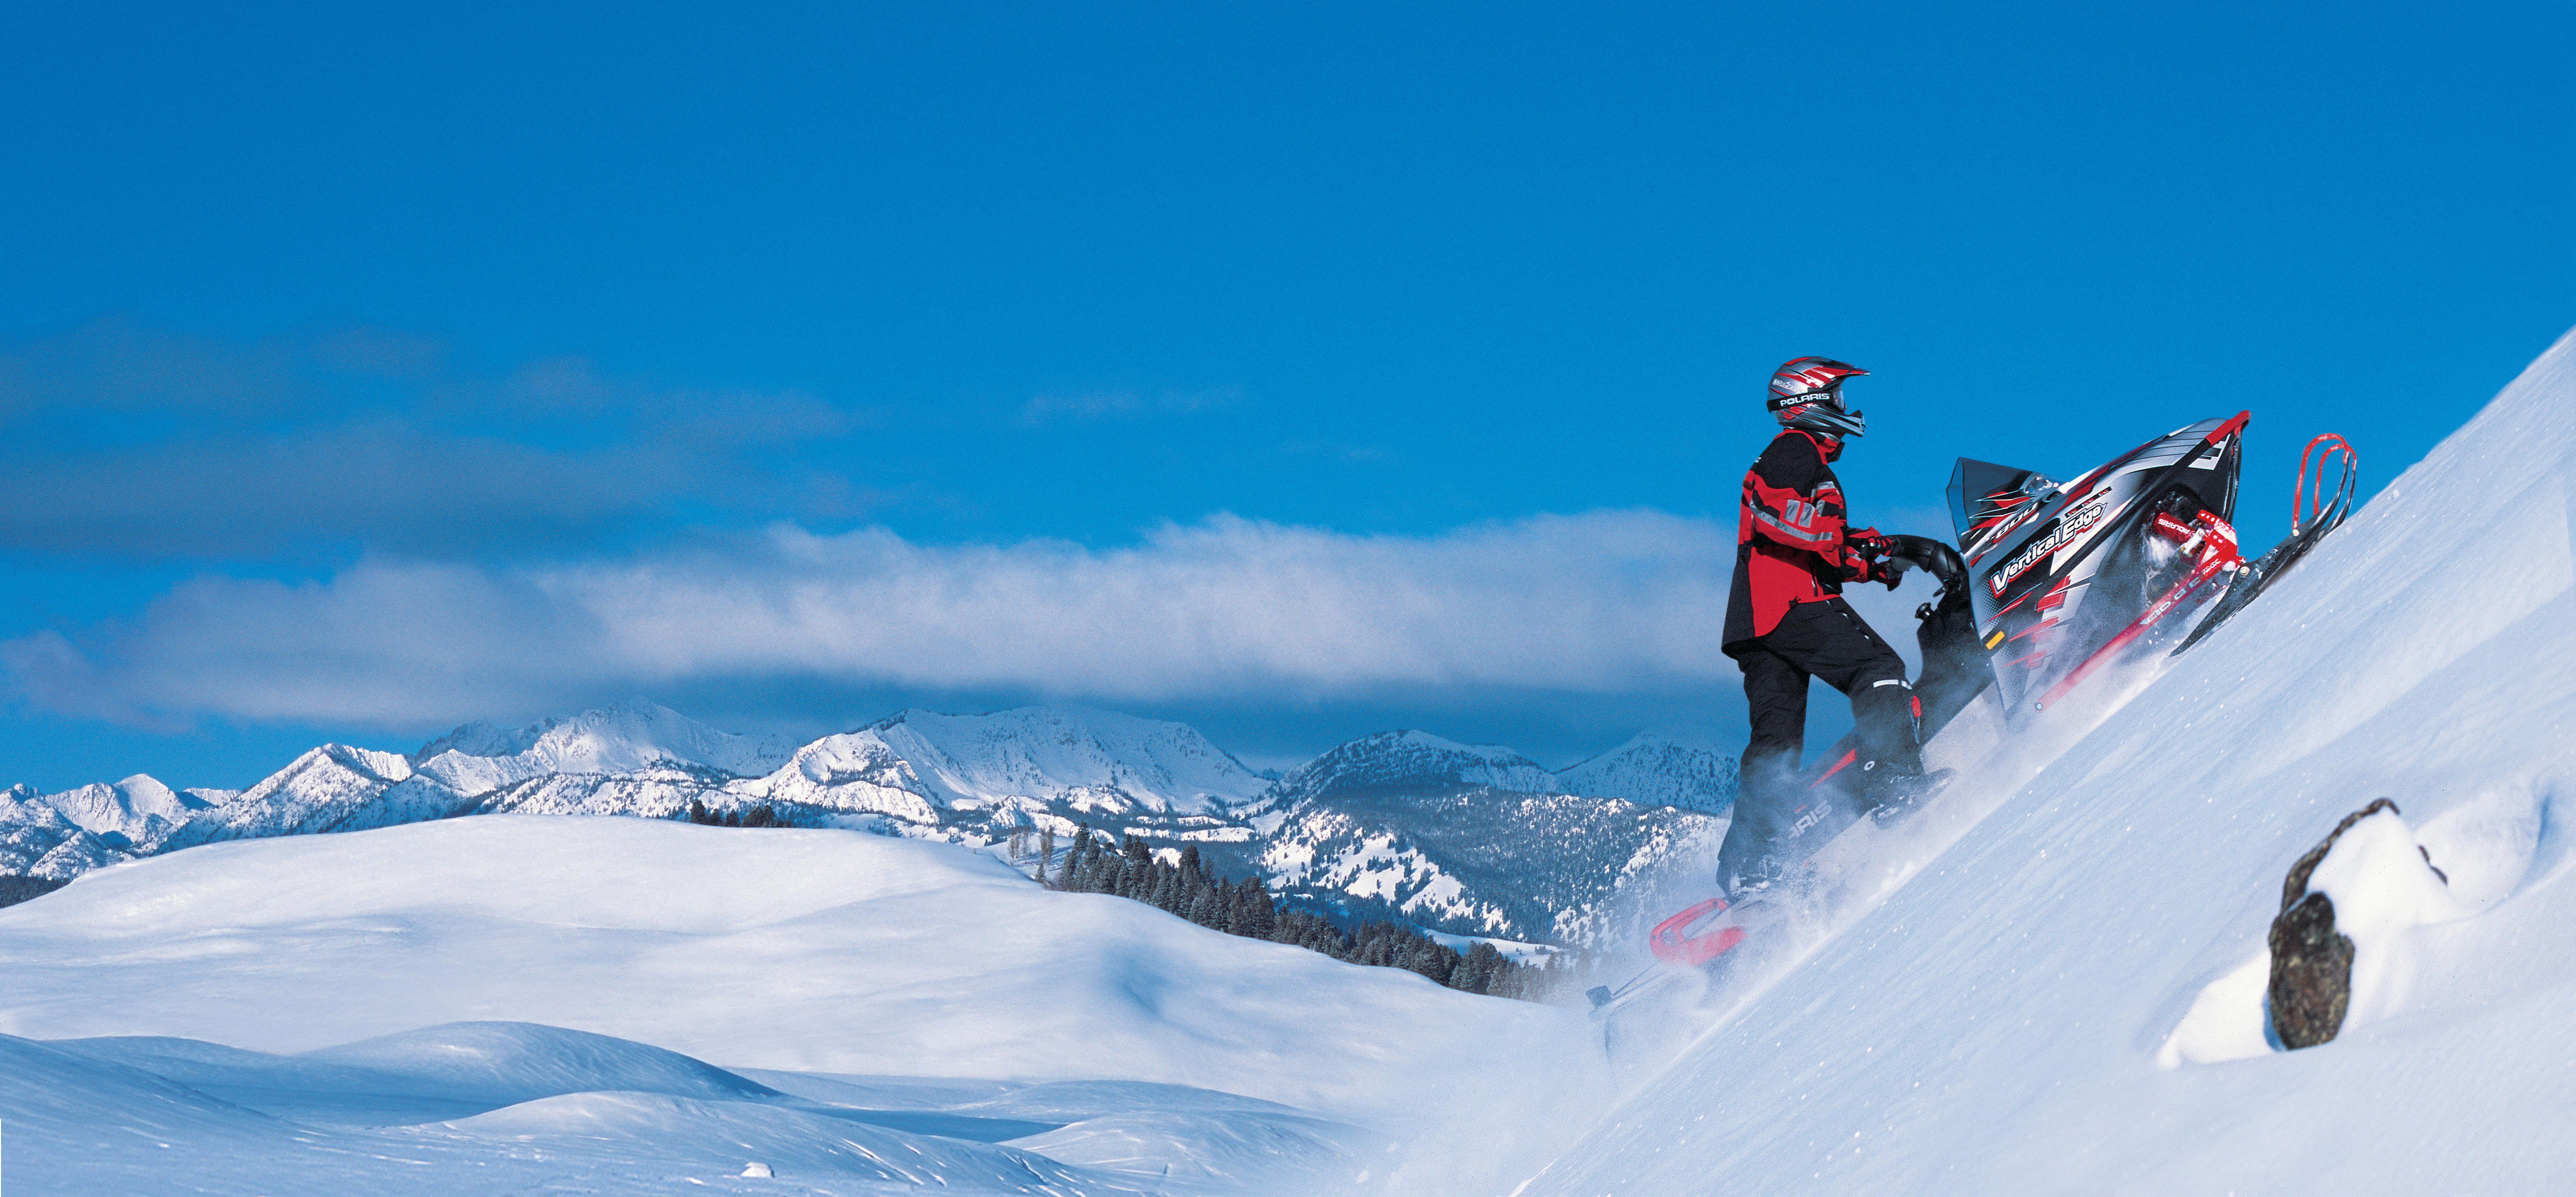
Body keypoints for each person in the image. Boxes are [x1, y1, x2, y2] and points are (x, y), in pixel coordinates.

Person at [1713, 356, 1938, 895]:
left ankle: (1750, 864)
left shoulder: (1798, 458)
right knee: (1880, 670)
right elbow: (1773, 510)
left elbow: (1829, 551)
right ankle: (1895, 784)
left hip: (1757, 620)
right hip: (1790, 601)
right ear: (1809, 402)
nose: (1846, 409)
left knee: (1775, 745)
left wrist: (1889, 555)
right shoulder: (1795, 450)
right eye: (1836, 398)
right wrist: (1845, 544)